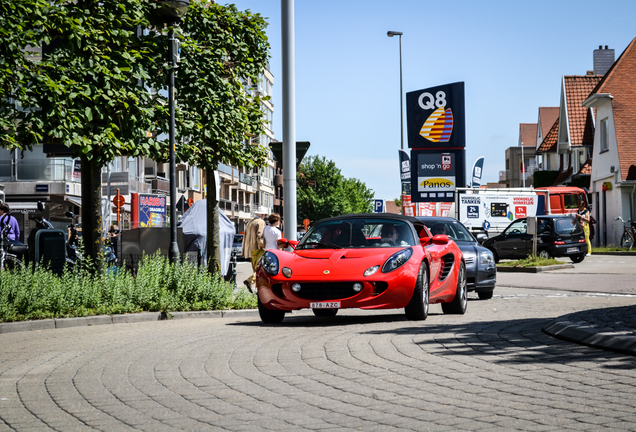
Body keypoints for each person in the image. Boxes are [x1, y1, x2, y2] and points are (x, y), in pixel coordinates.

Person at [242, 216, 266, 293]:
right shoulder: (261, 222)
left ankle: (258, 290)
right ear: (263, 215)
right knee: (261, 271)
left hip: (250, 249)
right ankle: (249, 281)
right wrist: (264, 246)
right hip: (258, 249)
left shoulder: (249, 222)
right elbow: (260, 236)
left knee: (255, 271)